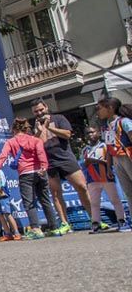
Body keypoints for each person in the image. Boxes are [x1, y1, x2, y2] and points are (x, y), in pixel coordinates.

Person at [0, 118, 62, 239]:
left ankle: (36, 229)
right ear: (26, 128)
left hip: (25, 174)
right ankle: (54, 228)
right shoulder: (35, 140)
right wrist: (44, 167)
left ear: (13, 129)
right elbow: (41, 153)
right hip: (40, 172)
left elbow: (2, 156)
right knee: (45, 200)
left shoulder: (11, 142)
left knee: (29, 202)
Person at [31, 99, 93, 233]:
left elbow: (67, 134)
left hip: (65, 158)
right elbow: (34, 144)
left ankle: (94, 218)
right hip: (49, 162)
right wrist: (38, 131)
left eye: (41, 109)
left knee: (82, 187)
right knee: (55, 193)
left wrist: (49, 127)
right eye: (36, 111)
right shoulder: (35, 125)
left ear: (46, 107)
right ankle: (65, 223)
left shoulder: (59, 118)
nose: (39, 113)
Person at [82, 123, 128, 233]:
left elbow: (109, 161)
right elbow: (84, 163)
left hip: (106, 176)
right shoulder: (85, 149)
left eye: (93, 132)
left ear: (98, 133)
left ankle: (122, 220)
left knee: (114, 199)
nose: (90, 135)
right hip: (92, 178)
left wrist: (96, 161)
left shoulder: (104, 146)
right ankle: (96, 223)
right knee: (94, 202)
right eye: (88, 133)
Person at [98, 97, 132, 232]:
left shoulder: (124, 122)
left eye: (99, 108)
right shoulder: (107, 126)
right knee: (128, 192)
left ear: (110, 108)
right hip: (117, 160)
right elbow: (108, 147)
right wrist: (108, 167)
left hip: (127, 157)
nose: (97, 112)